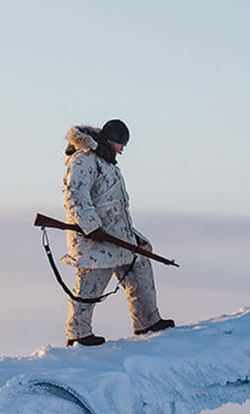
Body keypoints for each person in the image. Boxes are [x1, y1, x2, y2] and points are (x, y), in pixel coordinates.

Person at [59, 119, 174, 346]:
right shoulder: (84, 161)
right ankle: (78, 334)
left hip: (117, 237)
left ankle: (148, 321)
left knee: (139, 266)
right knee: (90, 286)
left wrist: (134, 236)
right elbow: (75, 195)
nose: (122, 150)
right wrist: (91, 227)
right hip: (94, 240)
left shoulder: (107, 163)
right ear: (110, 141)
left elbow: (114, 207)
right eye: (120, 145)